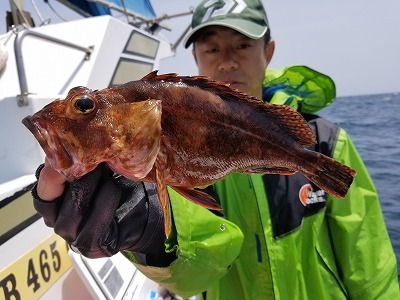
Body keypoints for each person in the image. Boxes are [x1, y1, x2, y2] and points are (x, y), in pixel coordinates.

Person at [32, 0, 400, 298]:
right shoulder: (139, 165)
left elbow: (371, 269)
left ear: (268, 50)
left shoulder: (328, 143)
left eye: (242, 45)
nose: (227, 60)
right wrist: (152, 237)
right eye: (212, 48)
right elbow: (196, 278)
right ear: (196, 59)